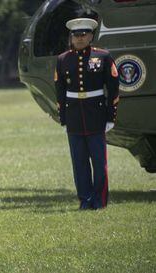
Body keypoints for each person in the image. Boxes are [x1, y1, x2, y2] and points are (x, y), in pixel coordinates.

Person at [54, 18, 119, 210]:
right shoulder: (63, 59)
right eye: (76, 35)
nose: (80, 38)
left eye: (83, 35)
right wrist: (63, 117)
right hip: (74, 115)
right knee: (79, 163)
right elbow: (60, 90)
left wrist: (111, 116)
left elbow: (113, 87)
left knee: (99, 163)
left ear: (91, 36)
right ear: (71, 37)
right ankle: (85, 200)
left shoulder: (104, 56)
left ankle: (99, 201)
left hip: (96, 114)